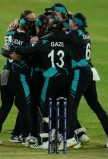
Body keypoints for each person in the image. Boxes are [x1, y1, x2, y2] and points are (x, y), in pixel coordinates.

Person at [44, 13, 108, 148]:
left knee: (71, 106)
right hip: (89, 72)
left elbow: (55, 36)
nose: (69, 22)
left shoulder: (74, 35)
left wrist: (42, 38)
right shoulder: (84, 34)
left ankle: (70, 138)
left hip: (79, 73)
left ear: (76, 24)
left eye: (71, 21)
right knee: (95, 104)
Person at [10, 20, 73, 149]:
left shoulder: (44, 42)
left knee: (45, 109)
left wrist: (14, 47)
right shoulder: (68, 43)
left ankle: (45, 141)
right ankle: (63, 137)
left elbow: (24, 50)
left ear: (49, 29)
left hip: (51, 80)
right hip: (66, 79)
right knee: (61, 108)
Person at [0, 17, 33, 145]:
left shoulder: (10, 35)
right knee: (25, 106)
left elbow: (4, 50)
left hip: (4, 73)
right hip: (17, 75)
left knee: (5, 106)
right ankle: (26, 136)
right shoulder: (29, 39)